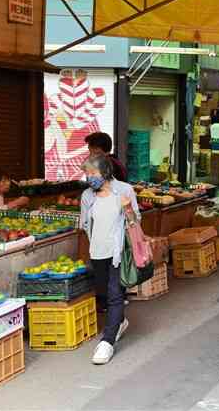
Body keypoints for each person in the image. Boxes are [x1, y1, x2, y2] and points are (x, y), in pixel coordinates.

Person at [78, 154, 140, 365]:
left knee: (115, 294)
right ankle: (120, 321)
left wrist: (128, 208)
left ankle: (107, 342)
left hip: (117, 252)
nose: (88, 178)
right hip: (97, 252)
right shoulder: (87, 195)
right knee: (103, 293)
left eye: (92, 173)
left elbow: (135, 221)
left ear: (105, 172)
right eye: (86, 174)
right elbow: (85, 224)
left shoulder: (124, 190)